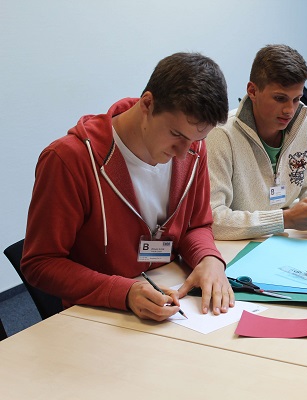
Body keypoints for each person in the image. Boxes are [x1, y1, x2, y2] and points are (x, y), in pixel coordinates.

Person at [21, 52, 234, 321]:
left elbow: (196, 225)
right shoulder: (69, 159)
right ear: (147, 104)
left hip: (170, 305)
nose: (183, 153)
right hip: (98, 316)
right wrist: (123, 292)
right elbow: (40, 263)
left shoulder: (194, 150)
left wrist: (208, 259)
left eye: (195, 140)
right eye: (177, 135)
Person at [206, 44, 307, 240]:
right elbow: (212, 219)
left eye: (296, 99)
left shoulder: (305, 123)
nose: (289, 110)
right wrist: (285, 219)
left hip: (290, 239)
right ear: (253, 91)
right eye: (280, 98)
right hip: (239, 247)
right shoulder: (221, 135)